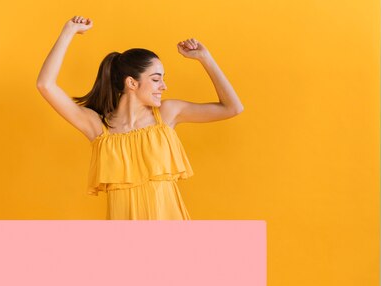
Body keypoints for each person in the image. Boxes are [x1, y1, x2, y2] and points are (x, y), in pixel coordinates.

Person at [36, 15, 244, 220]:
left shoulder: (167, 114)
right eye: (156, 79)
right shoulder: (98, 128)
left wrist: (205, 58)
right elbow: (45, 85)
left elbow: (232, 107)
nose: (164, 86)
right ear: (132, 83)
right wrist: (68, 32)